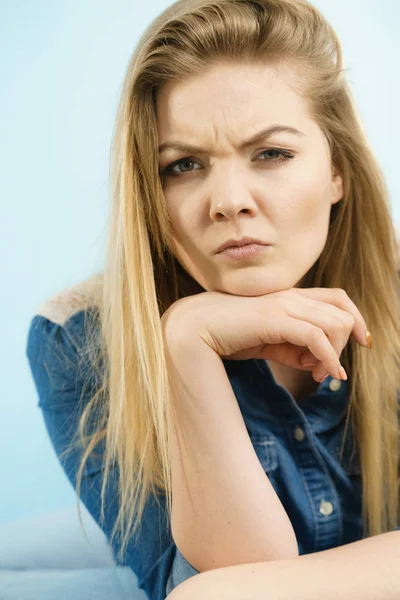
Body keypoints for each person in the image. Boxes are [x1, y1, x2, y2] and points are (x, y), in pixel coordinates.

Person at [26, 0, 400, 599]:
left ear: (338, 170)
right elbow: (211, 583)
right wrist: (187, 343)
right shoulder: (78, 338)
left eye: (271, 154)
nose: (227, 200)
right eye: (184, 165)